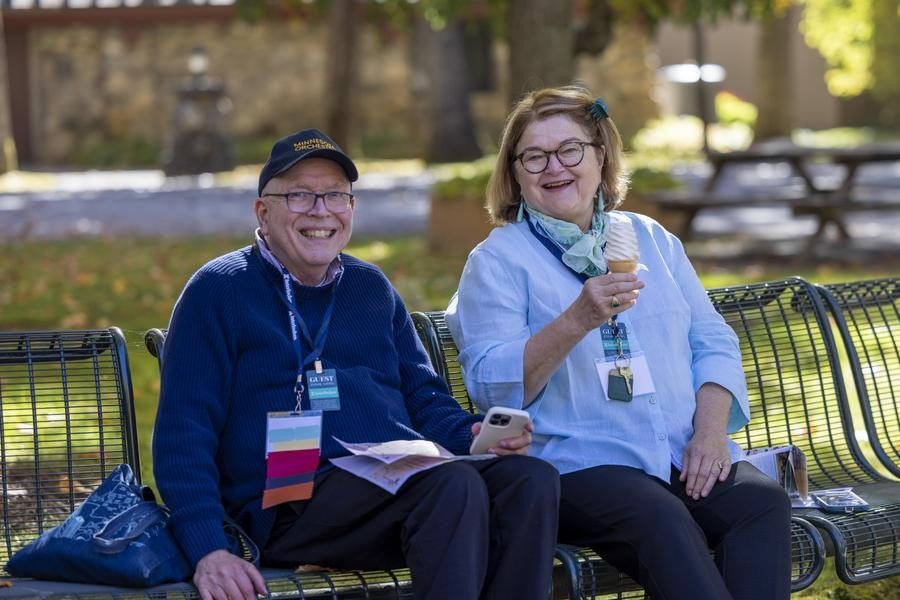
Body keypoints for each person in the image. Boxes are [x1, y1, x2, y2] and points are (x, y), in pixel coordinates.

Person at [153, 128, 560, 600]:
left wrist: (470, 435)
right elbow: (184, 434)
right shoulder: (219, 290)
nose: (320, 211)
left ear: (351, 207)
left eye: (334, 196)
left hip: (398, 485)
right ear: (263, 211)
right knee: (451, 486)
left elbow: (423, 396)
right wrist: (209, 549)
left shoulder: (369, 286)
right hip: (287, 500)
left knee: (529, 481)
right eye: (300, 195)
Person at [446, 84, 791, 600]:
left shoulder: (648, 238)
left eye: (569, 150)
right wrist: (576, 319)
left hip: (676, 451)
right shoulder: (497, 260)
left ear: (600, 154)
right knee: (660, 516)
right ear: (515, 173)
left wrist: (711, 433)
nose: (553, 168)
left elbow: (711, 337)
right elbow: (493, 386)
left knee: (761, 502)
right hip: (576, 464)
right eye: (534, 156)